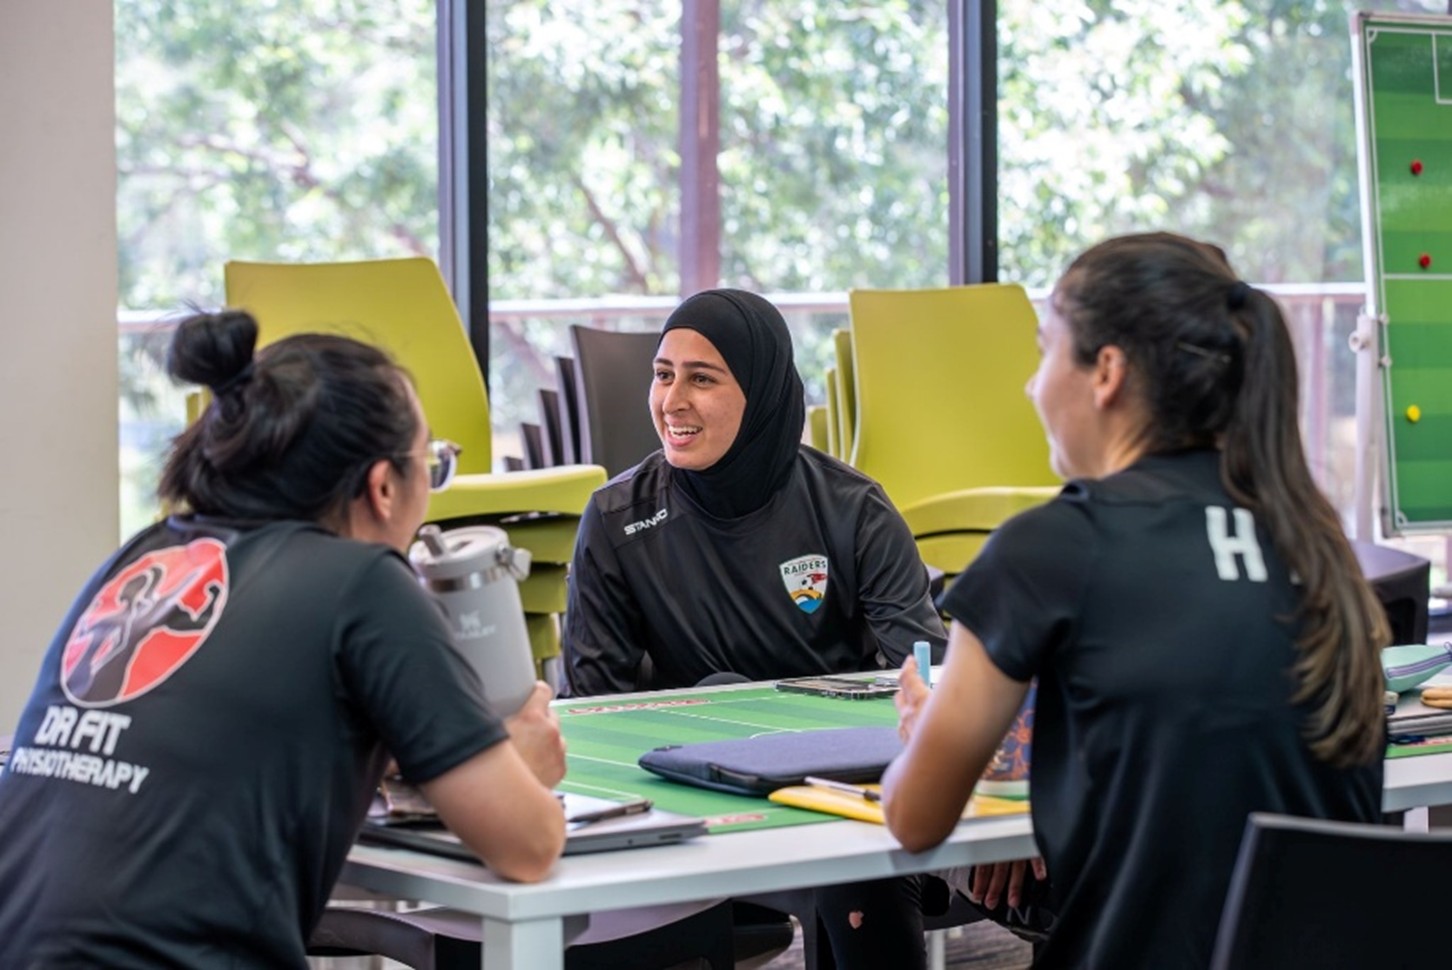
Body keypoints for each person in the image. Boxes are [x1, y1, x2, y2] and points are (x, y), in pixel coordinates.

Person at [882, 232, 1388, 970]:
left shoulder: (1048, 548)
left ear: (1106, 372)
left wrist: (918, 732)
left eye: (1046, 349)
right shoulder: (1315, 543)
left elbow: (916, 819)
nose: (1031, 385)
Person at [0, 311, 568, 968]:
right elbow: (526, 845)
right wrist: (521, 766)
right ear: (383, 486)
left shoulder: (146, 557)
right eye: (432, 465)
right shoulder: (364, 581)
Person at [562, 288, 948, 968]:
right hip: (688, 794)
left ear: (761, 392)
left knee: (862, 865)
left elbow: (925, 679)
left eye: (702, 378)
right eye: (663, 374)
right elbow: (595, 710)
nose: (672, 400)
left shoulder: (854, 511)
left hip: (838, 790)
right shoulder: (618, 517)